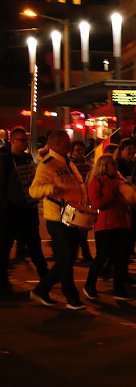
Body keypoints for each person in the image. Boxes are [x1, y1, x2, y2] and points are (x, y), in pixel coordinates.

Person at [28, 130, 88, 310]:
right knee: (66, 259)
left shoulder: (67, 162)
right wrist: (50, 188)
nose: (69, 144)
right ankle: (71, 296)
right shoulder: (47, 164)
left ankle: (41, 290)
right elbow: (34, 191)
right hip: (57, 217)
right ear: (55, 144)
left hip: (72, 216)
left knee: (67, 258)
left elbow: (78, 184)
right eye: (65, 142)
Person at [0, 126, 49, 294]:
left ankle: (45, 279)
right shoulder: (4, 159)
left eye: (27, 140)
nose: (26, 143)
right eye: (22, 140)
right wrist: (6, 207)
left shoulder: (28, 158)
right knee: (5, 247)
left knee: (35, 247)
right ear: (12, 141)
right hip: (10, 212)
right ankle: (3, 282)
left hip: (28, 210)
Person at [82, 153, 134, 301]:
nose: (115, 166)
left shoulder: (120, 180)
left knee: (121, 258)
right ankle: (89, 285)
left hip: (122, 223)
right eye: (112, 163)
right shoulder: (97, 181)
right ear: (104, 166)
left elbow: (130, 197)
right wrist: (112, 194)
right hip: (105, 225)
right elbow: (96, 203)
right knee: (102, 256)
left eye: (115, 163)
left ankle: (119, 289)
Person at [70, 140, 94, 262]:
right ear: (72, 151)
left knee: (83, 228)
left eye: (81, 150)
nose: (80, 152)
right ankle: (81, 254)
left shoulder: (87, 163)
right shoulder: (69, 164)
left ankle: (82, 254)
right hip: (73, 199)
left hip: (85, 199)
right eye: (77, 150)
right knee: (75, 229)